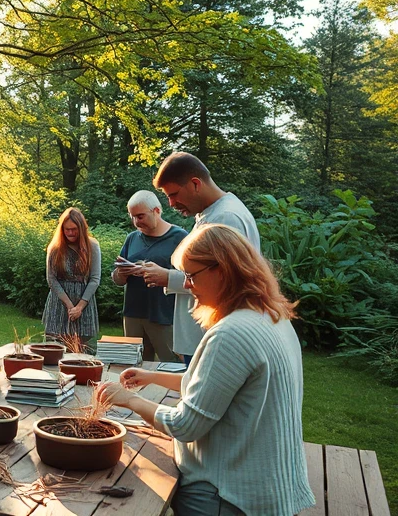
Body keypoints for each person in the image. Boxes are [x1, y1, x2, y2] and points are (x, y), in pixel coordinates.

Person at [97, 224, 314, 515]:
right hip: (270, 485)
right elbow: (216, 386)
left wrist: (128, 400)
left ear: (222, 270)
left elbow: (185, 426)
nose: (185, 285)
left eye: (191, 275)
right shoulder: (271, 317)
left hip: (231, 494)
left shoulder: (232, 333)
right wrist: (152, 377)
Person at [140, 152, 261, 363]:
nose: (170, 203)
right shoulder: (212, 214)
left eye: (174, 194)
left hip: (212, 337)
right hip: (201, 337)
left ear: (196, 184)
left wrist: (167, 277)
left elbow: (224, 281)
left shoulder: (225, 218)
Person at [111, 191, 187, 362]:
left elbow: (191, 277)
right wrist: (121, 273)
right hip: (133, 314)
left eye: (140, 216)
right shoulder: (132, 238)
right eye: (133, 217)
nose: (136, 222)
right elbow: (116, 279)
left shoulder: (180, 237)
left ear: (157, 211)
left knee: (171, 365)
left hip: (164, 315)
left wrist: (161, 273)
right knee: (133, 366)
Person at [42, 208, 101, 342]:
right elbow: (51, 279)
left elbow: (95, 279)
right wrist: (70, 306)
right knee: (55, 347)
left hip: (84, 301)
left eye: (74, 229)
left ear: (81, 228)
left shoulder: (92, 246)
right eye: (67, 229)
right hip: (60, 301)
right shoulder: (55, 248)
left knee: (82, 349)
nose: (70, 233)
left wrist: (79, 307)